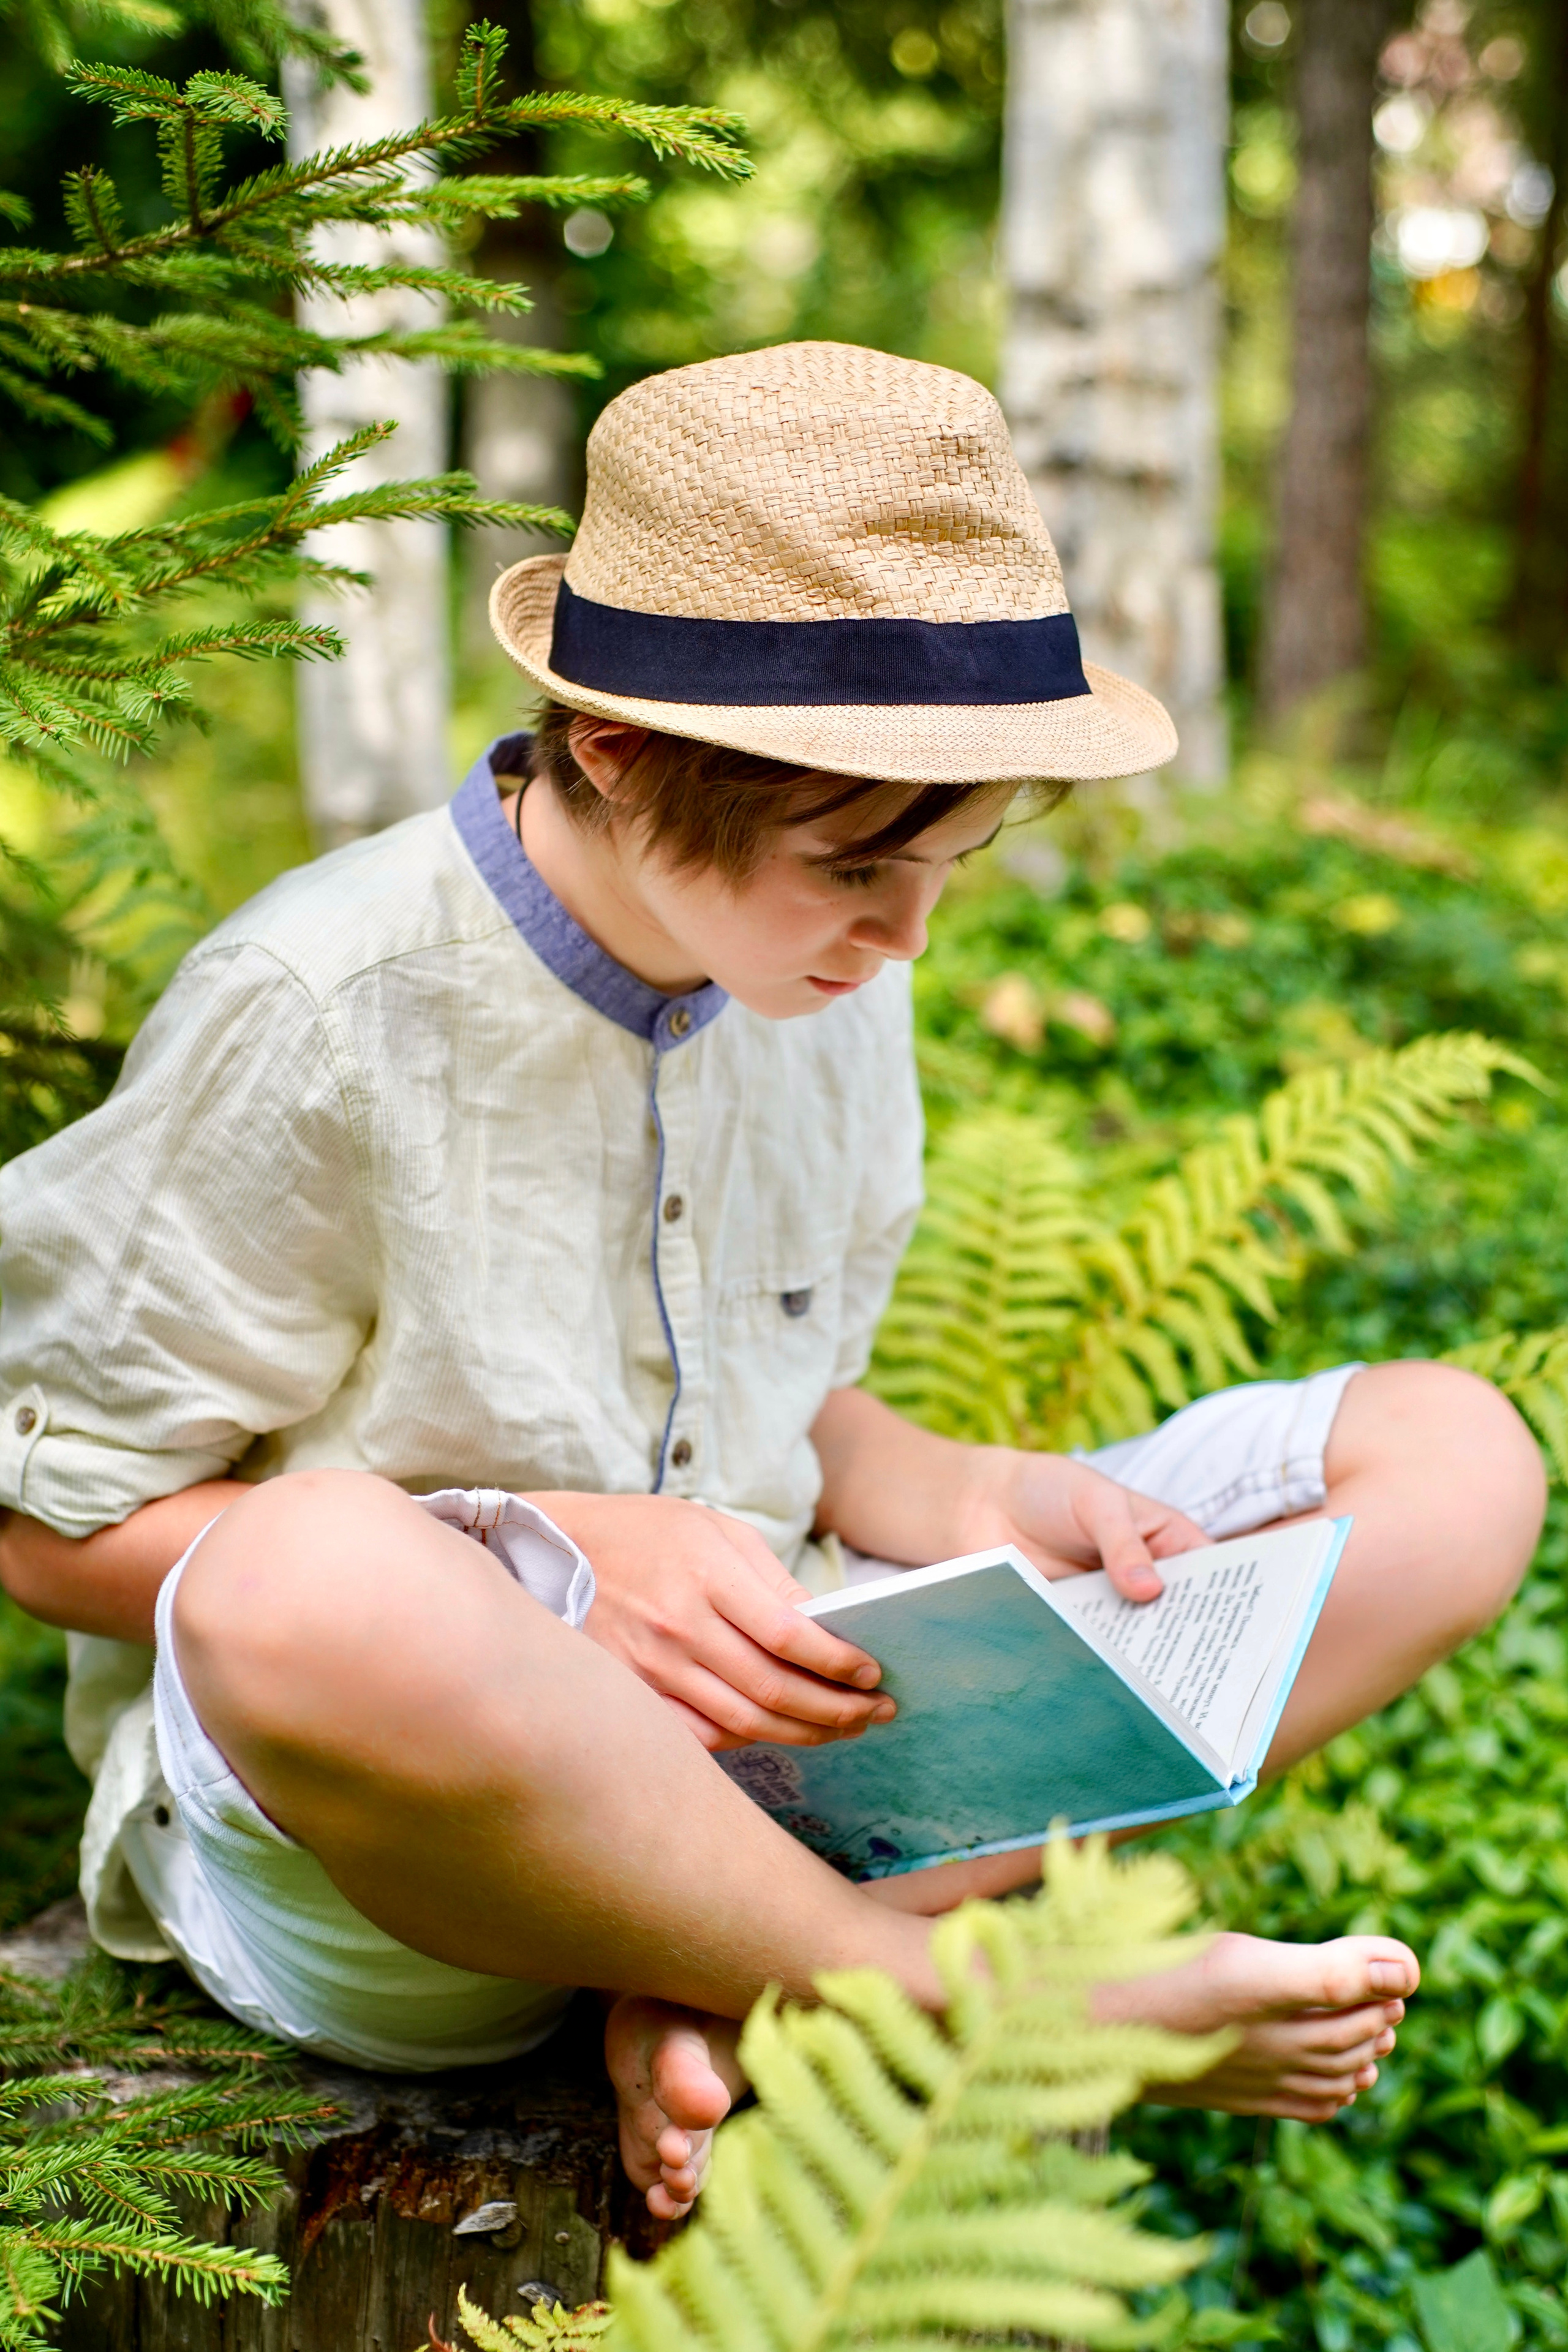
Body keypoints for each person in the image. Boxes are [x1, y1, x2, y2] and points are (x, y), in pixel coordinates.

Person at [0, 344, 1544, 2222]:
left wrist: (986, 1495)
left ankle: (717, 1966)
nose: (906, 939)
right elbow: (52, 1524)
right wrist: (545, 1544)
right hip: (413, 1853)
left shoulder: (819, 973)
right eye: (856, 869)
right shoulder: (319, 1008)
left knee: (1454, 1457)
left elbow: (786, 1403)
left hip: (785, 1765)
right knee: (311, 1577)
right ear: (620, 750)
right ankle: (951, 2000)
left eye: (952, 867)